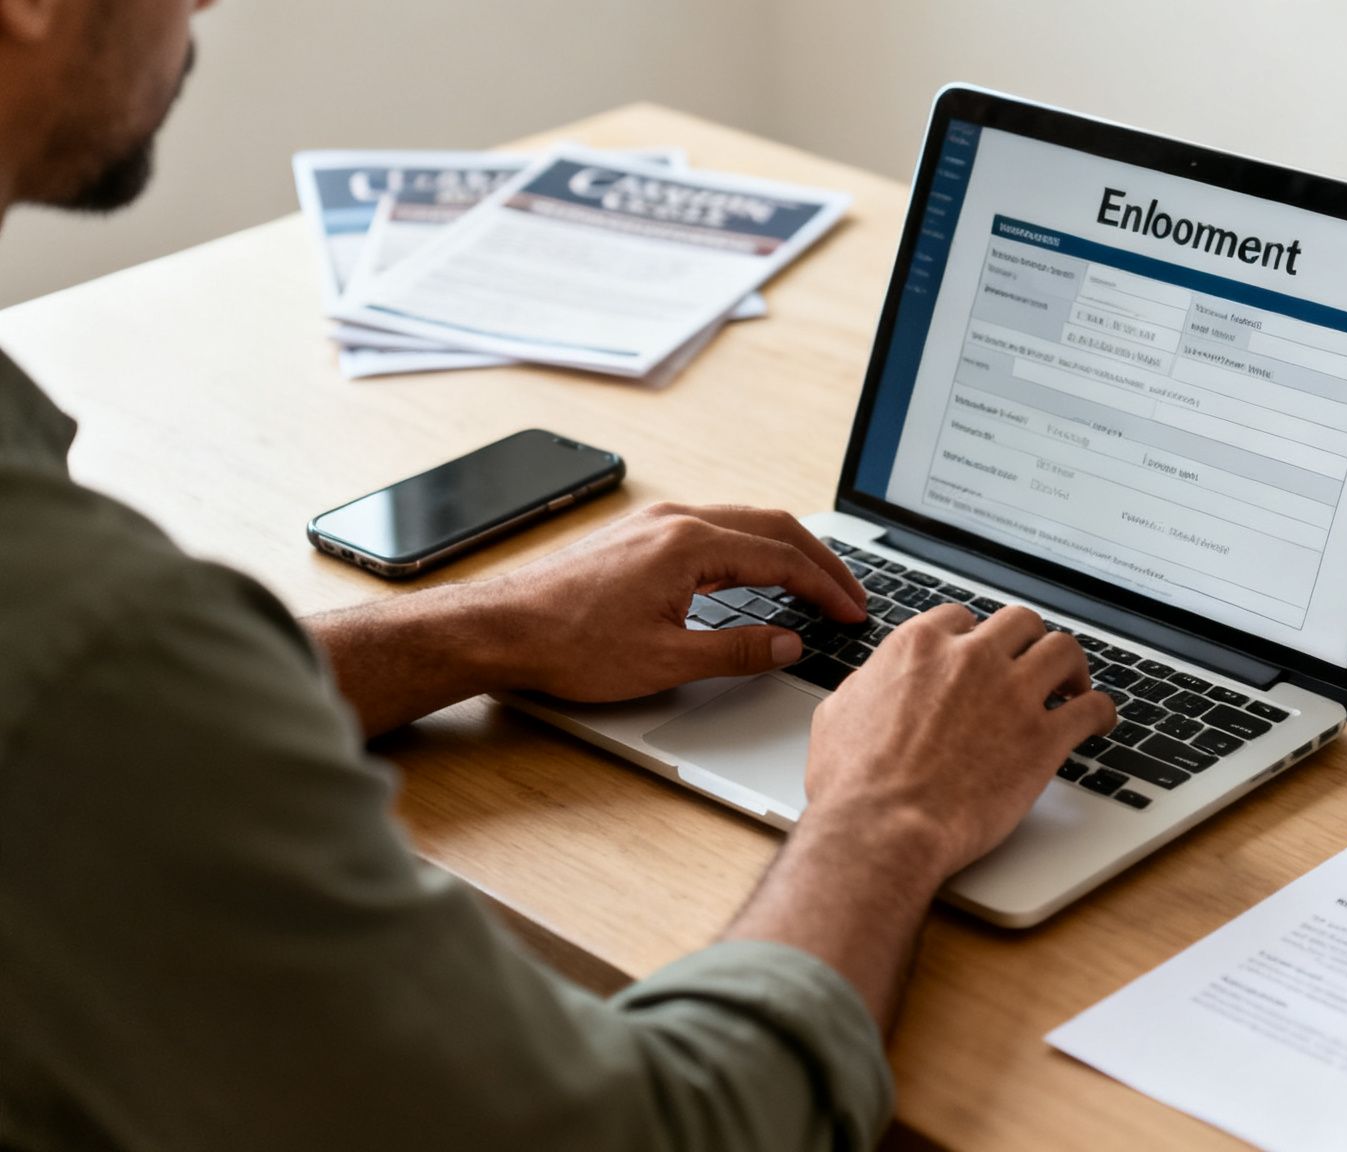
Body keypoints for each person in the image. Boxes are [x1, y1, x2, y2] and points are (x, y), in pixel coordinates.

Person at [0, 2, 1117, 1149]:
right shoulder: (94, 653)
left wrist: (488, 628)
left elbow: (130, 722)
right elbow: (661, 1132)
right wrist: (890, 813)